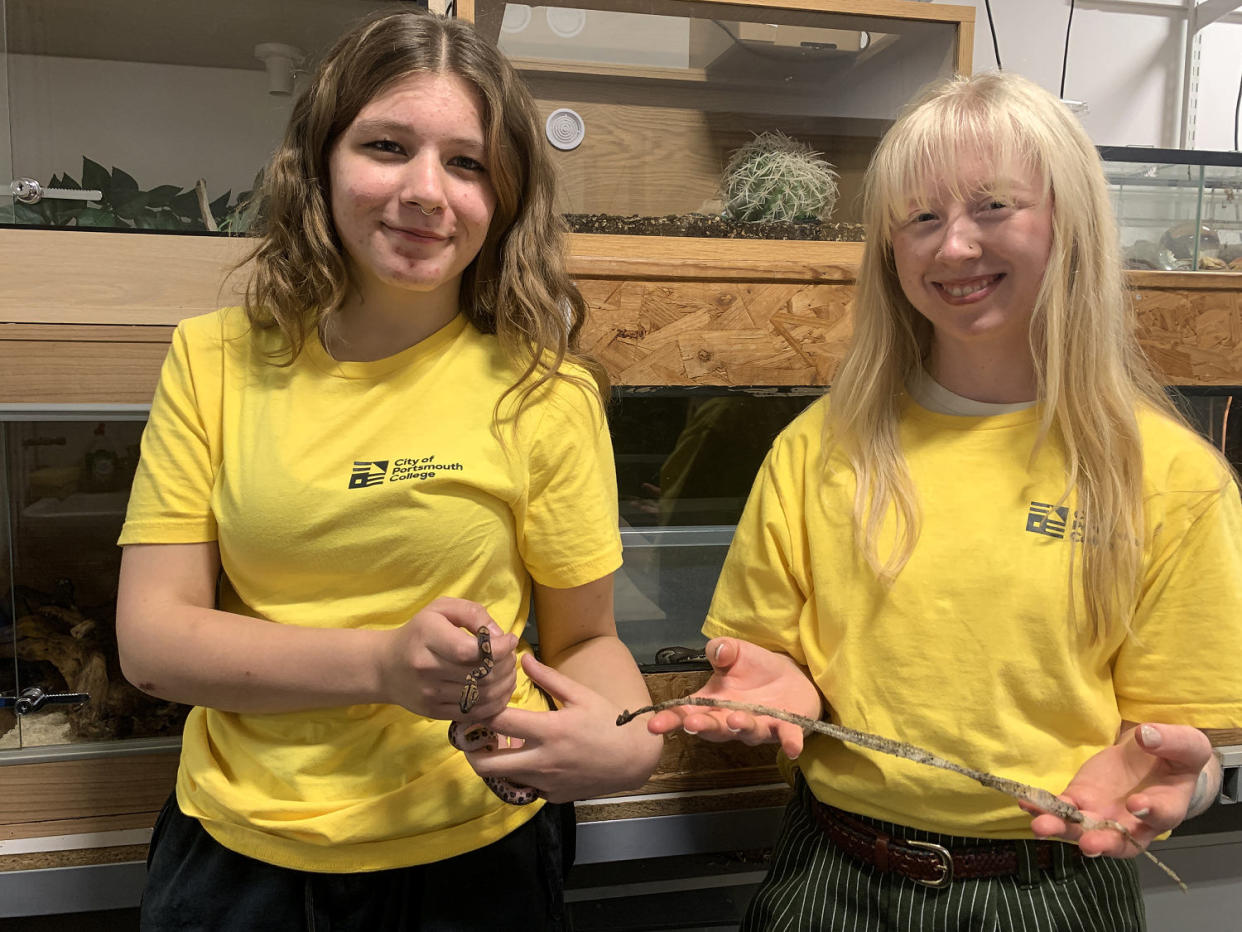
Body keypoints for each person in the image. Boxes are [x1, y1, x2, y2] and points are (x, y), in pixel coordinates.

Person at [648, 71, 1242, 930]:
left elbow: (1185, 745)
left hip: (1051, 884)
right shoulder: (820, 447)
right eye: (920, 218)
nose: (953, 247)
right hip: (830, 871)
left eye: (993, 207)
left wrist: (1184, 783)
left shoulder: (1170, 479)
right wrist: (775, 687)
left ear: (1069, 221)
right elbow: (770, 663)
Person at [116, 10, 661, 930]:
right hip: (243, 861)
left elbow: (585, 643)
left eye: (468, 162)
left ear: (507, 195)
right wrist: (380, 662)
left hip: (476, 858)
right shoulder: (213, 359)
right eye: (387, 145)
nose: (425, 191)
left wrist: (629, 742)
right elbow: (153, 644)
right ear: (321, 162)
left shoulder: (544, 389)